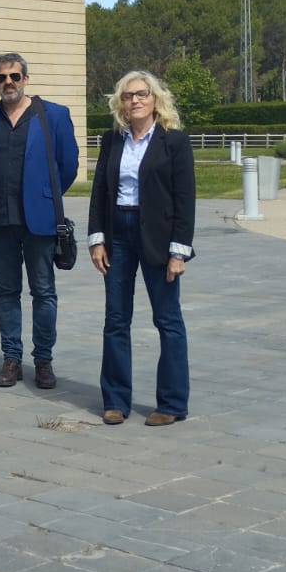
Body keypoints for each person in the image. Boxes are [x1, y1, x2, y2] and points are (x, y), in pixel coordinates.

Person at [88, 70, 196, 427]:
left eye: (142, 94)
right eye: (128, 95)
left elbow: (185, 200)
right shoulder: (112, 140)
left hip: (159, 239)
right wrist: (97, 238)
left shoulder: (174, 142)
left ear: (155, 100)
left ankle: (171, 403)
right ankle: (116, 400)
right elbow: (100, 192)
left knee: (168, 320)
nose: (134, 100)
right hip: (118, 232)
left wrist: (178, 252)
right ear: (120, 103)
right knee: (116, 319)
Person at [0, 52, 80, 390]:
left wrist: (45, 194)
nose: (9, 83)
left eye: (15, 76)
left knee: (44, 291)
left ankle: (43, 360)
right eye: (2, 78)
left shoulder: (54, 116)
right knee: (6, 291)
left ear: (25, 79)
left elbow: (68, 166)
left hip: (40, 222)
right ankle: (11, 358)